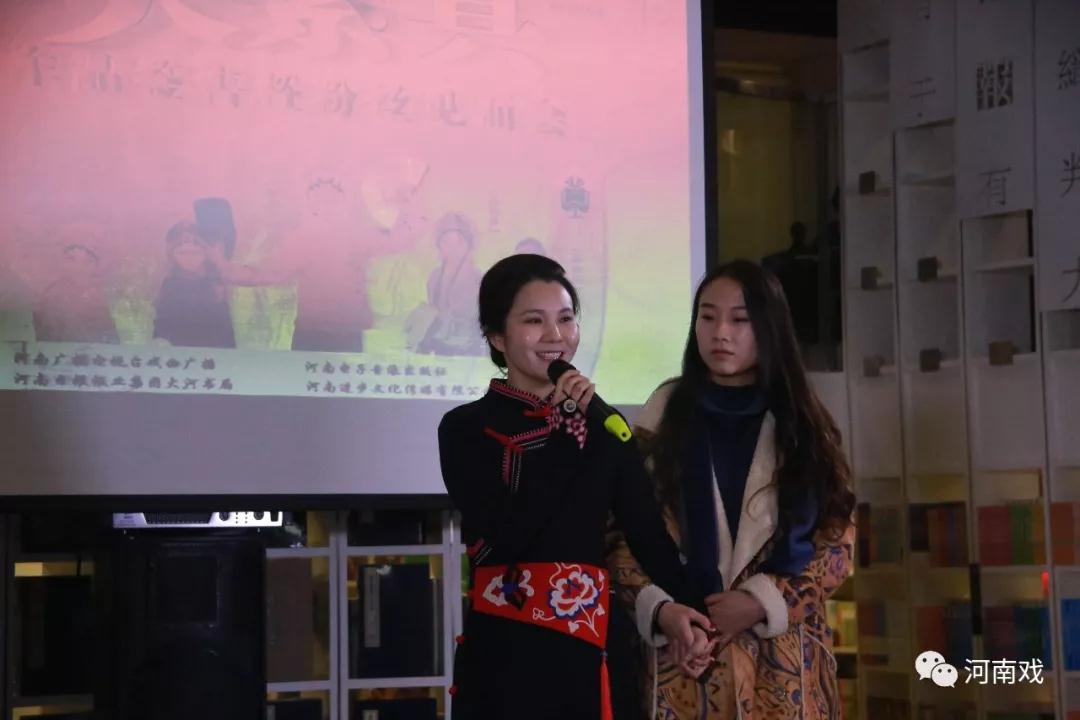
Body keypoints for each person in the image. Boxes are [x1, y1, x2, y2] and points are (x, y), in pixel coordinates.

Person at [437, 253, 712, 720]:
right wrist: (564, 433)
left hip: (594, 654)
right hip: (507, 658)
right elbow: (508, 533)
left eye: (566, 319)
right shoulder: (466, 428)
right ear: (497, 336)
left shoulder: (602, 426)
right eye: (534, 321)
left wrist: (692, 611)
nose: (555, 335)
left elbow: (647, 536)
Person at [607, 259, 856, 718]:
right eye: (708, 317)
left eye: (740, 320)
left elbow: (836, 543)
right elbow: (622, 533)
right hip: (686, 655)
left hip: (784, 669)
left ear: (769, 327)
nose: (721, 332)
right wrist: (662, 611)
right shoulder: (662, 416)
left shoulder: (802, 421)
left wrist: (759, 602)